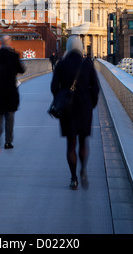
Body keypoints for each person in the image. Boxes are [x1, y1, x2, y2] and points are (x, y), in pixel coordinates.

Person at [50, 35, 99, 190]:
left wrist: (61, 98)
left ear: (68, 48)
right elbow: (95, 88)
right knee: (83, 142)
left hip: (67, 109)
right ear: (81, 48)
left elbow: (53, 87)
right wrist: (91, 104)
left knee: (70, 144)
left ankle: (73, 178)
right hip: (84, 108)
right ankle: (83, 169)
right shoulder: (87, 64)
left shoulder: (61, 64)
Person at [0, 35, 25, 149]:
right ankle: (8, 142)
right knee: (10, 116)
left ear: (0, 43)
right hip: (11, 91)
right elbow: (21, 70)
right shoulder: (14, 55)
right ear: (10, 44)